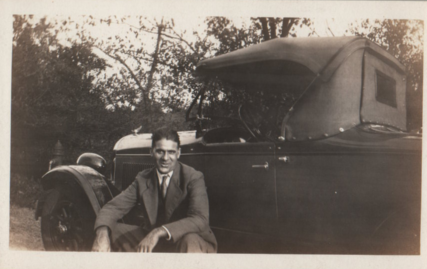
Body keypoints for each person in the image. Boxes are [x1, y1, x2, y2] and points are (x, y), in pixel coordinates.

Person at [92, 127, 217, 253]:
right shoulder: (143, 178)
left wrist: (158, 232)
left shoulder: (193, 177)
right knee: (112, 231)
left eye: (171, 152)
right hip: (157, 243)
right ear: (151, 152)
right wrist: (102, 233)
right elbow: (113, 208)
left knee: (189, 239)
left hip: (190, 243)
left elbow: (200, 219)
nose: (165, 158)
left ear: (178, 153)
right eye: (160, 151)